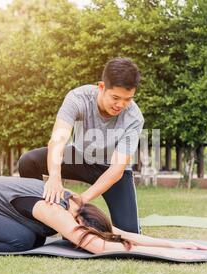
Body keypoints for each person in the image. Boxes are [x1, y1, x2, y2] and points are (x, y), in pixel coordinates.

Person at [0, 176, 207, 260]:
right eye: (82, 233)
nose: (78, 238)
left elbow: (113, 233)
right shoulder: (55, 208)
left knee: (34, 236)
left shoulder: (76, 203)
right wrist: (150, 252)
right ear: (80, 222)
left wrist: (172, 244)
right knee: (21, 241)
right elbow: (97, 245)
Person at [18, 57, 144, 234]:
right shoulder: (78, 98)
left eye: (128, 99)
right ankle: (40, 220)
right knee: (28, 161)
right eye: (115, 97)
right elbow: (58, 140)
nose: (121, 105)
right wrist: (54, 177)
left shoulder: (134, 117)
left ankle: (123, 225)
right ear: (101, 87)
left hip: (111, 169)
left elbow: (117, 169)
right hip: (80, 158)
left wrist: (83, 199)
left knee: (129, 234)